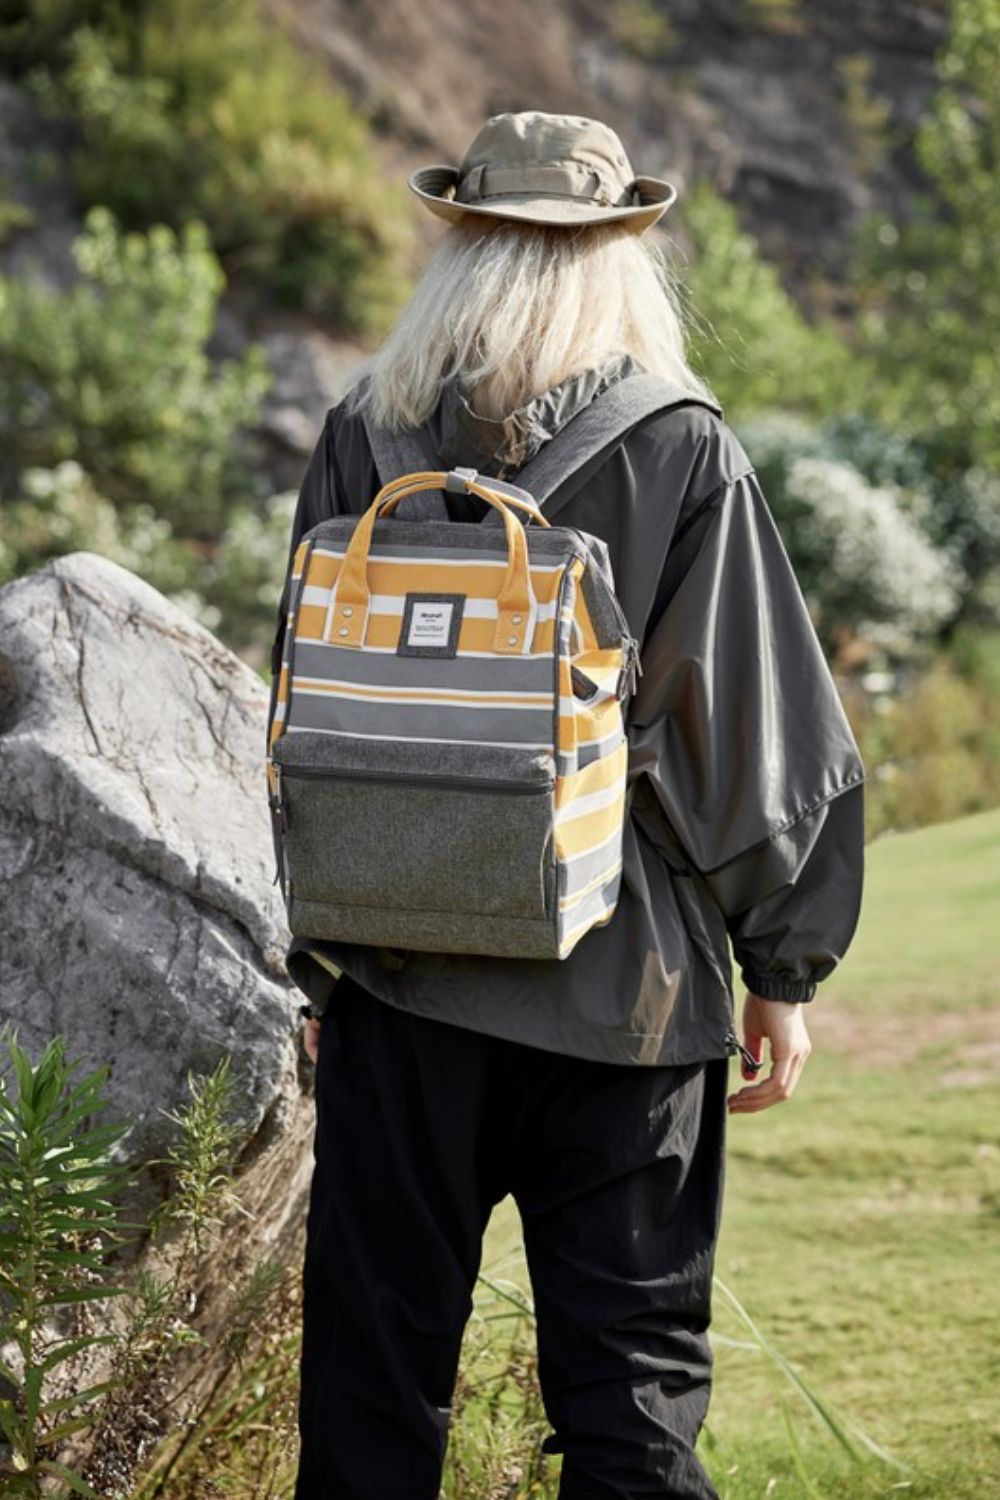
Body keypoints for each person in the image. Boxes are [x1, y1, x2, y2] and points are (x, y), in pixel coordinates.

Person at [275, 110, 867, 1500]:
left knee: (370, 1390)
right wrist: (784, 968)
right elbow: (751, 735)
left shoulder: (364, 435)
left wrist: (319, 948)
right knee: (630, 1395)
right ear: (622, 255)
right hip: (626, 997)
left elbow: (310, 706)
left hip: (400, 982)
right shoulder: (678, 448)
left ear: (458, 240)